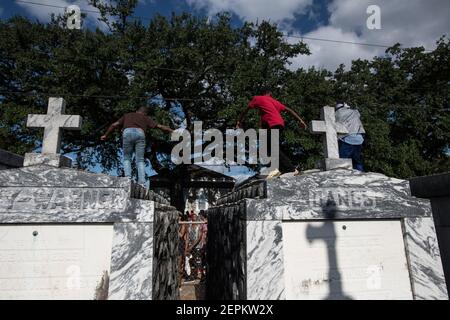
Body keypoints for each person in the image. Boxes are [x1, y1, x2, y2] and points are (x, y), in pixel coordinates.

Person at [236, 88, 308, 174]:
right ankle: (281, 169)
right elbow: (289, 110)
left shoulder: (258, 98)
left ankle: (291, 169)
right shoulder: (275, 102)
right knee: (268, 148)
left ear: (262, 93)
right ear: (270, 93)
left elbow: (246, 110)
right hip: (279, 124)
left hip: (272, 125)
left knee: (272, 148)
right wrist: (300, 120)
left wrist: (239, 121)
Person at [100, 105, 173, 187]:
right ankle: (142, 182)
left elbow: (114, 125)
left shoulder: (127, 115)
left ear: (137, 111)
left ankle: (127, 178)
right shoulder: (145, 118)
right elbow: (160, 126)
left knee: (127, 158)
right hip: (140, 133)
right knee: (140, 160)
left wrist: (105, 135)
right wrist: (172, 131)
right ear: (145, 113)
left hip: (127, 133)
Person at [335, 101, 366, 172]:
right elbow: (358, 114)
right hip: (359, 139)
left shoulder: (336, 114)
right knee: (357, 160)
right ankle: (360, 174)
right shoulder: (354, 112)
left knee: (342, 161)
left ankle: (342, 174)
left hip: (347, 139)